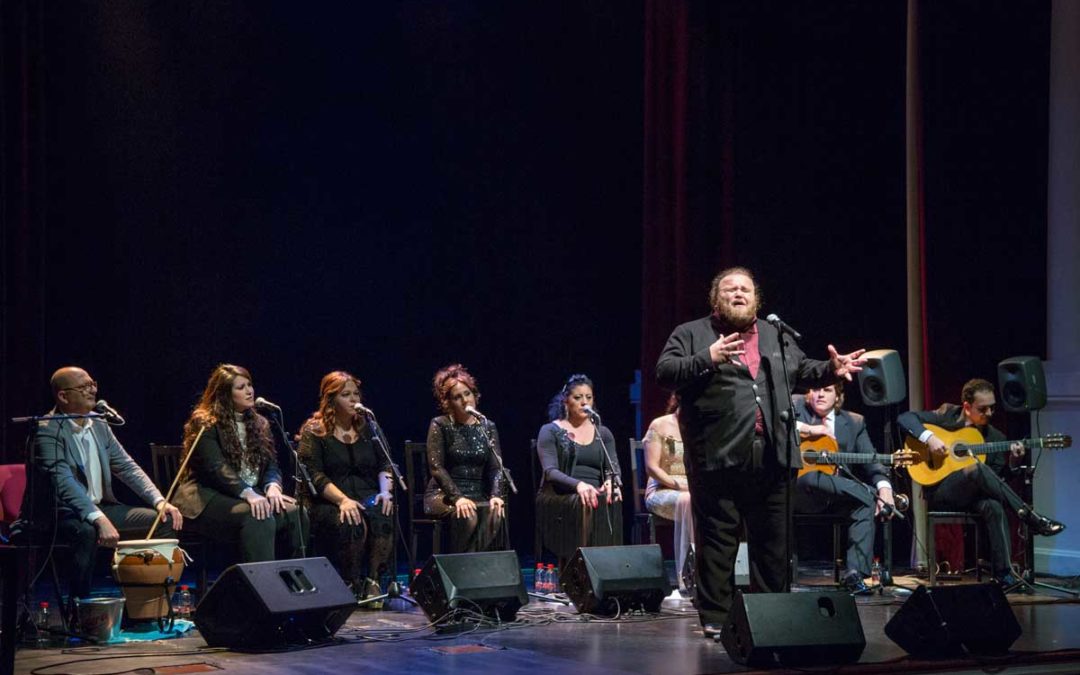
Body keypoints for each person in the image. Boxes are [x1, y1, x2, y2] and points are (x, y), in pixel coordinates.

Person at [655, 266, 866, 637]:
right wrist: (708, 356)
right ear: (715, 299)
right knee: (718, 542)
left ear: (757, 299)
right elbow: (665, 372)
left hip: (773, 454)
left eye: (746, 290)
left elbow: (804, 370)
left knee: (773, 542)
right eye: (730, 289)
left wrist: (832, 369)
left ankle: (772, 614)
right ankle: (717, 618)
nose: (739, 294)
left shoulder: (775, 334)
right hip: (717, 455)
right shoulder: (691, 334)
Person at [13, 367, 183, 603]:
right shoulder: (46, 431)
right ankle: (80, 607)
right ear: (63, 396)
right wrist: (98, 518)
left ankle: (146, 604)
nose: (92, 390)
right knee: (87, 531)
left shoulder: (99, 424)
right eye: (84, 387)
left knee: (163, 520)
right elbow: (63, 482)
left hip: (99, 508)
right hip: (57, 513)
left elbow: (126, 467)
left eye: (93, 383)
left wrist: (160, 501)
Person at [897, 378, 1065, 586]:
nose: (989, 414)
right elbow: (905, 418)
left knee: (993, 505)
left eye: (992, 408)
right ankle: (1029, 517)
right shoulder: (948, 414)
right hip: (941, 491)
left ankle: (1004, 574)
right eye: (983, 409)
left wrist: (1013, 462)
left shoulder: (996, 437)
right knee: (976, 468)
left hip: (973, 497)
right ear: (967, 407)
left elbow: (996, 481)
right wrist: (929, 438)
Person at [173, 364, 306, 562]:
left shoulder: (260, 423)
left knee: (296, 511)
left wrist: (272, 487)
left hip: (249, 495)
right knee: (258, 516)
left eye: (249, 385)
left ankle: (294, 582)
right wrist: (249, 493)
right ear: (225, 393)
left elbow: (271, 464)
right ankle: (262, 587)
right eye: (240, 387)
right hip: (207, 497)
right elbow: (216, 467)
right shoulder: (206, 422)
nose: (249, 391)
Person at [298, 371, 394, 602]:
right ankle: (350, 582)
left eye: (356, 394)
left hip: (366, 495)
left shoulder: (368, 427)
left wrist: (385, 492)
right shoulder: (315, 431)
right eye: (346, 395)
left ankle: (372, 581)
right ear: (331, 399)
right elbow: (315, 475)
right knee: (352, 519)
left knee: (382, 512)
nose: (354, 400)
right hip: (328, 500)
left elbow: (386, 464)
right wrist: (343, 500)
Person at [793, 383, 894, 594]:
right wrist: (810, 429)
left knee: (866, 501)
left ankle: (855, 575)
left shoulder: (854, 422)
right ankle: (868, 492)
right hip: (800, 490)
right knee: (814, 475)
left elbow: (871, 460)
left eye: (827, 390)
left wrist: (884, 489)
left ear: (838, 396)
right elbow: (775, 423)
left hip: (837, 495)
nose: (820, 393)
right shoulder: (796, 406)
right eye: (816, 389)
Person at [535, 373, 623, 567]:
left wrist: (611, 482)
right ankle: (580, 570)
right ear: (566, 401)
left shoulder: (603, 432)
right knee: (584, 501)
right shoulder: (550, 430)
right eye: (578, 398)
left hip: (594, 494)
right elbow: (550, 472)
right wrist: (579, 485)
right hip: (559, 496)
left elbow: (613, 466)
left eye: (589, 398)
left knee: (613, 496)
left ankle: (608, 568)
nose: (585, 403)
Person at [425, 364, 507, 552]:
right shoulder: (440, 424)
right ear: (448, 402)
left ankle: (467, 565)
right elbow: (436, 467)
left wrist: (496, 495)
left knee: (495, 513)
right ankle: (461, 567)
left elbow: (496, 467)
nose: (464, 400)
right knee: (469, 515)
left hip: (477, 491)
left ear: (475, 395)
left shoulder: (487, 425)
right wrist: (458, 498)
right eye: (457, 397)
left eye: (467, 394)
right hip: (443, 494)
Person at [642, 395, 694, 592]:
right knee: (689, 500)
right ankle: (687, 575)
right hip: (663, 490)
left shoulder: (701, 427)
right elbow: (652, 468)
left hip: (693, 489)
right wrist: (678, 485)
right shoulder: (660, 425)